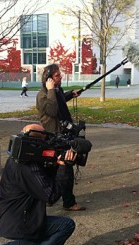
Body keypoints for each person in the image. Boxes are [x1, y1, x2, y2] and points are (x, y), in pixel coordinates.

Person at [0, 124, 76, 245]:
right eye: (44, 139)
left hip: (9, 216)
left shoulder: (20, 157)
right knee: (65, 225)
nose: (47, 141)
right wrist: (64, 167)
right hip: (19, 220)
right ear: (35, 143)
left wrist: (53, 162)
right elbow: (51, 195)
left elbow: (43, 180)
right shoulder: (28, 165)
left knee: (42, 236)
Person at [36, 64, 86, 211]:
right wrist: (51, 90)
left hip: (63, 133)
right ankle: (68, 202)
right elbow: (52, 109)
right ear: (49, 79)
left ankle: (54, 199)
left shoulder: (57, 91)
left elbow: (59, 101)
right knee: (62, 167)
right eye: (57, 75)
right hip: (53, 136)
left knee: (59, 167)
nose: (61, 77)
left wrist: (71, 94)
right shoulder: (43, 95)